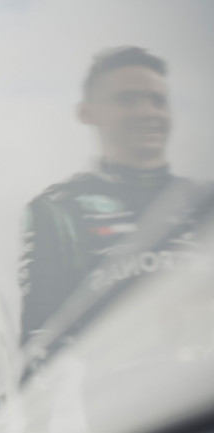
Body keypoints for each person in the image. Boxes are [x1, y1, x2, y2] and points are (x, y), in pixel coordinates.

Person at [18, 47, 211, 358]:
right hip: (121, 386)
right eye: (127, 100)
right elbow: (38, 344)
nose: (148, 112)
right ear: (87, 113)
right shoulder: (59, 209)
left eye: (158, 101)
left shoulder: (204, 205)